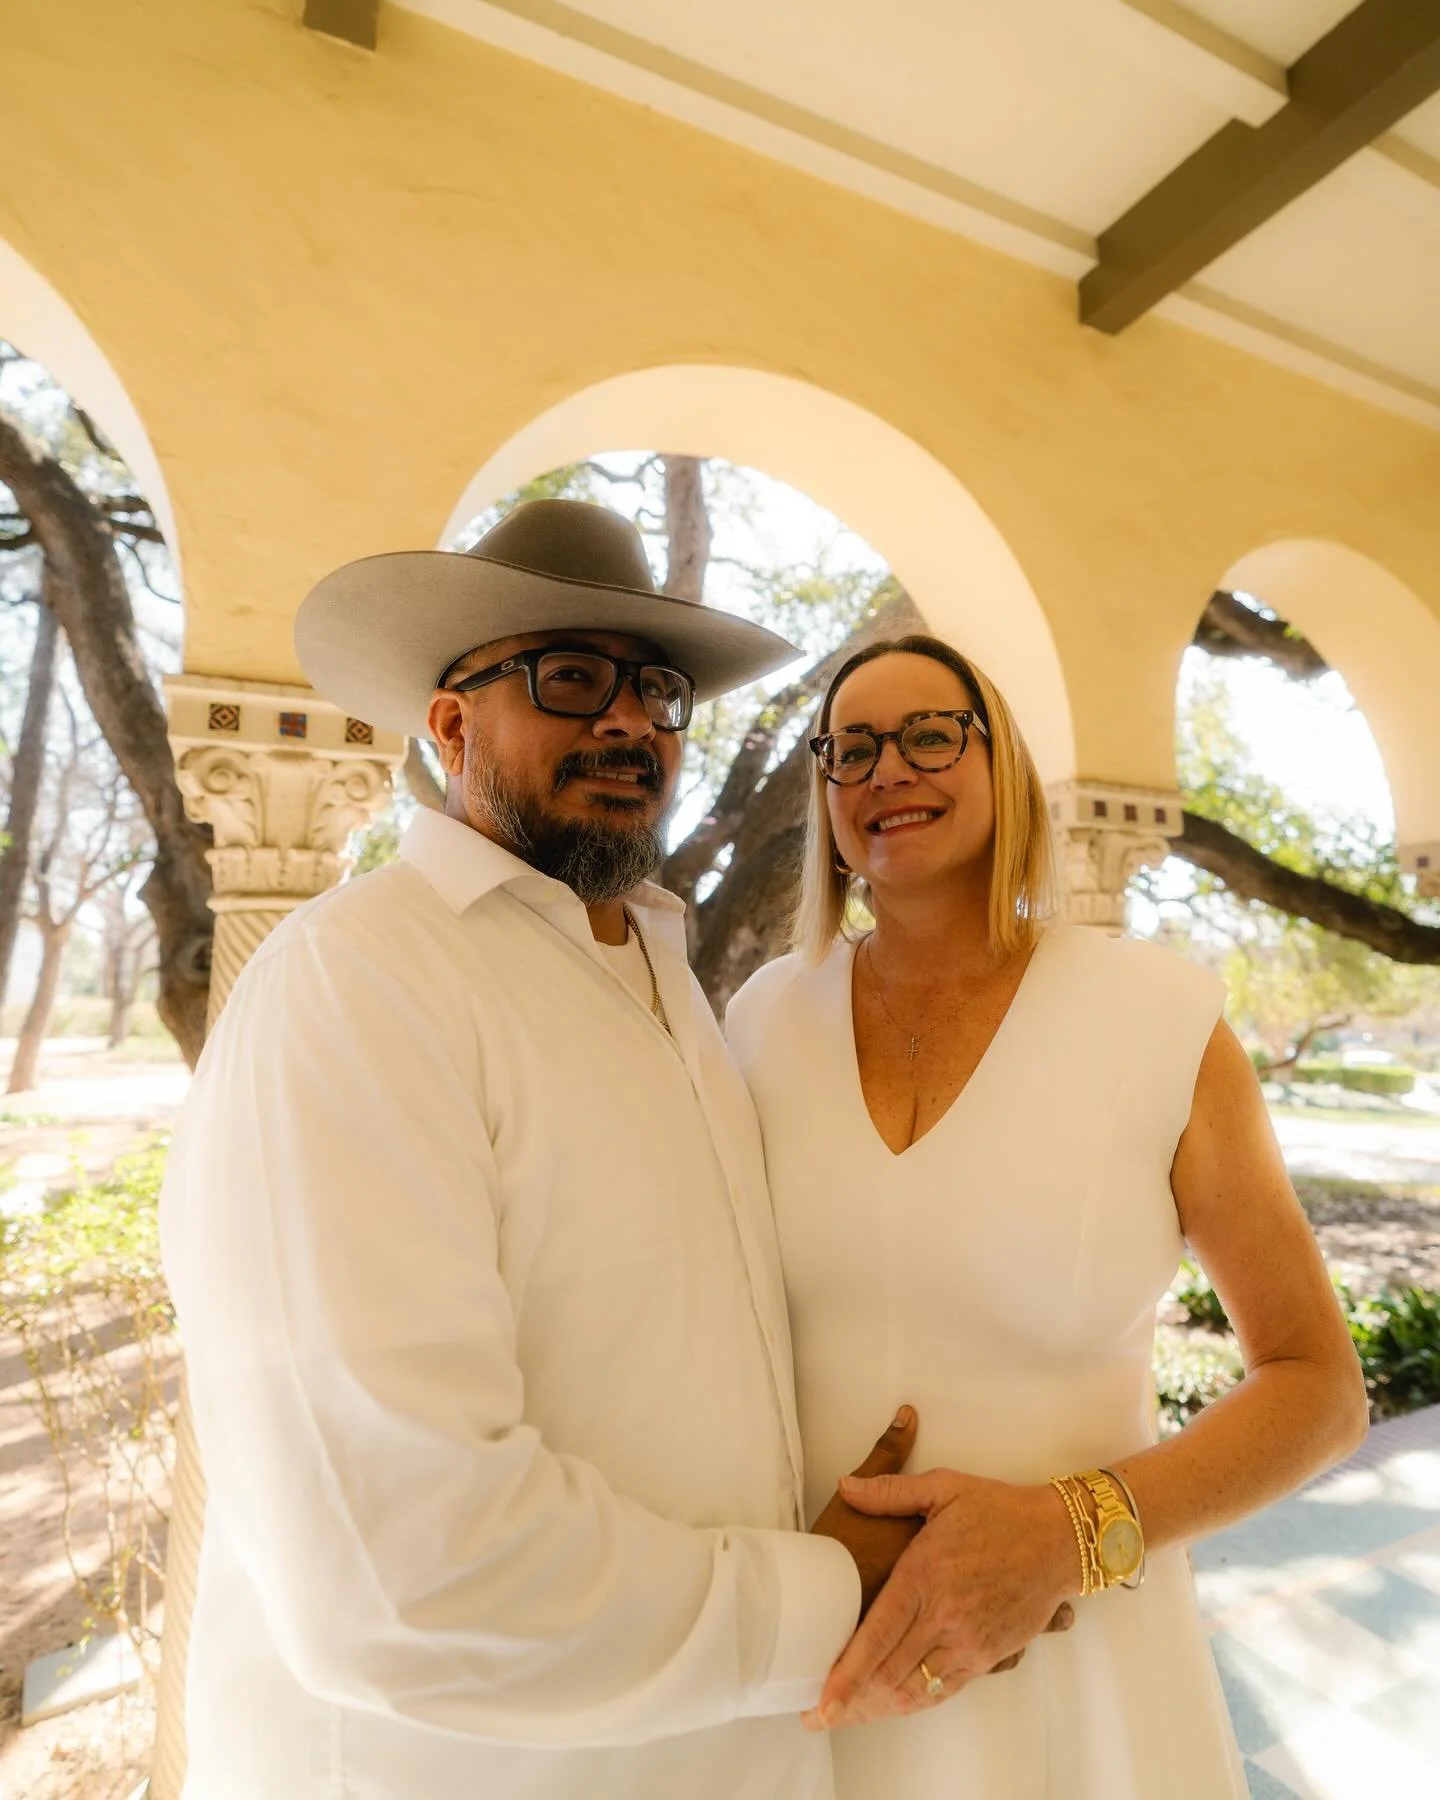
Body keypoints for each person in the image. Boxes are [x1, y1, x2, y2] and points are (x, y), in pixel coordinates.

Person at [160, 500, 928, 1800]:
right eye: (571, 678)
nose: (628, 722)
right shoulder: (357, 983)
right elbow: (400, 1563)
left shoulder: (669, 982)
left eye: (660, 691)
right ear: (451, 723)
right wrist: (834, 1591)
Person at [725, 632, 1370, 1800]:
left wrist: (1075, 1533)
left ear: (1002, 767)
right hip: (823, 1657)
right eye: (851, 747)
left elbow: (1319, 1385)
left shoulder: (1158, 1021)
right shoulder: (762, 1020)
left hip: (1077, 1679)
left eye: (930, 735)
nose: (887, 769)